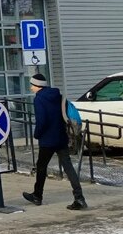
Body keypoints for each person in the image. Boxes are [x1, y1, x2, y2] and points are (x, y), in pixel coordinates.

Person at [23, 73, 88, 210]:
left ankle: (37, 196)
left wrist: (37, 134)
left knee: (41, 167)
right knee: (68, 167)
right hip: (61, 137)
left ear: (37, 86)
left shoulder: (39, 99)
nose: (31, 87)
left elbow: (42, 121)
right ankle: (79, 198)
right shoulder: (57, 95)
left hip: (47, 140)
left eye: (32, 85)